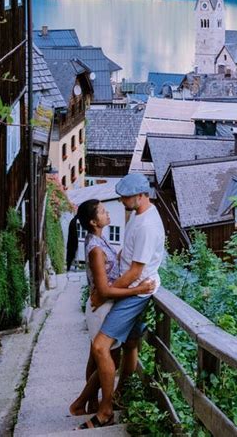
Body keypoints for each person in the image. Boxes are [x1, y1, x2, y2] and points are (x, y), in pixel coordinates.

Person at [80, 173, 165, 430]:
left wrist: (104, 292)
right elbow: (127, 257)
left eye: (125, 196)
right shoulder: (140, 215)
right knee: (130, 345)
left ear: (141, 196)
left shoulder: (147, 225)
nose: (121, 200)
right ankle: (117, 397)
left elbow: (135, 272)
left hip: (135, 292)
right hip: (133, 289)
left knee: (100, 347)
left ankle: (105, 411)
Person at [66, 199, 155, 419]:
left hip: (101, 307)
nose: (108, 214)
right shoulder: (95, 249)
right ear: (94, 221)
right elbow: (104, 291)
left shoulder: (98, 238)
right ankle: (82, 404)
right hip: (102, 307)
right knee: (107, 360)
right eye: (103, 212)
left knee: (95, 359)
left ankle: (85, 405)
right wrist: (139, 289)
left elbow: (111, 265)